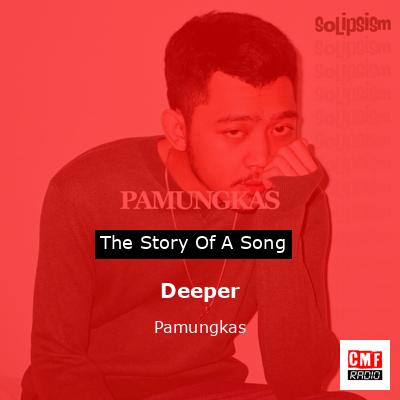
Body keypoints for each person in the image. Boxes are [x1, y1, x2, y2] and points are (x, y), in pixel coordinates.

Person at [21, 11, 366, 400]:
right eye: (235, 132)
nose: (263, 156)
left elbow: (300, 385)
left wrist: (281, 217)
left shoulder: (296, 200)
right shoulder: (86, 191)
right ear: (178, 130)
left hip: (209, 388)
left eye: (281, 129)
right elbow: (58, 360)